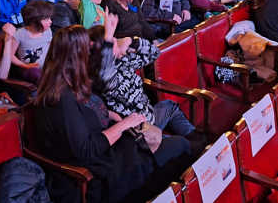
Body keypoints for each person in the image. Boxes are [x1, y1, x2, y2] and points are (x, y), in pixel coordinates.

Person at [34, 25, 193, 203]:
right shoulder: (62, 97)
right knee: (181, 147)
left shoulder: (74, 81)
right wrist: (124, 124)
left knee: (181, 145)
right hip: (100, 172)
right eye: (88, 48)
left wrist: (113, 116)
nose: (92, 52)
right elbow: (87, 149)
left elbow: (91, 109)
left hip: (114, 150)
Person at [89, 13, 199, 139]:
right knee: (179, 144)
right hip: (137, 130)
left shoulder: (123, 61)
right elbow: (107, 77)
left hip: (149, 116)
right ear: (102, 51)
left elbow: (154, 53)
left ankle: (197, 140)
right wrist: (108, 39)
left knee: (169, 106)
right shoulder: (100, 76)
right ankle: (192, 148)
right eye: (112, 42)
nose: (116, 42)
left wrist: (132, 41)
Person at [11, 1, 53, 84]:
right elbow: (10, 55)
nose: (50, 21)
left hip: (46, 68)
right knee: (34, 73)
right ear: (35, 21)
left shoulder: (48, 31)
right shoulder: (19, 34)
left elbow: (50, 48)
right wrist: (25, 66)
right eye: (47, 19)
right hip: (29, 70)